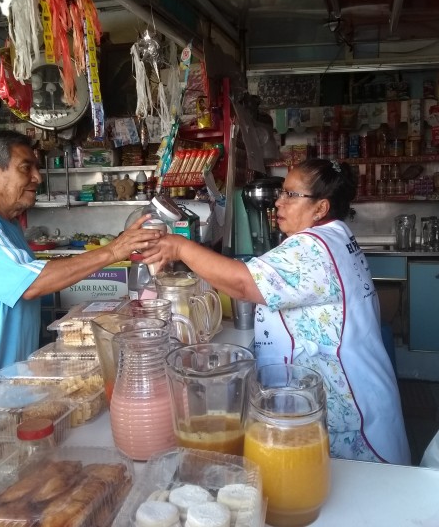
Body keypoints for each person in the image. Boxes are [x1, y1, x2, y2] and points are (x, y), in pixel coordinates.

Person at [142, 158, 410, 464]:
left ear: (320, 208)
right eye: (281, 193)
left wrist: (179, 248)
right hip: (358, 390)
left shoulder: (314, 248)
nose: (278, 202)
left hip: (348, 409)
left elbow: (244, 284)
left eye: (291, 195)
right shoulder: (333, 236)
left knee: (347, 498)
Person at [0, 130, 161, 383]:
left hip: (7, 381)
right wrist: (114, 250)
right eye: (25, 168)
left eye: (36, 168)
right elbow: (31, 283)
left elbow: (26, 284)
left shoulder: (7, 223)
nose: (37, 177)